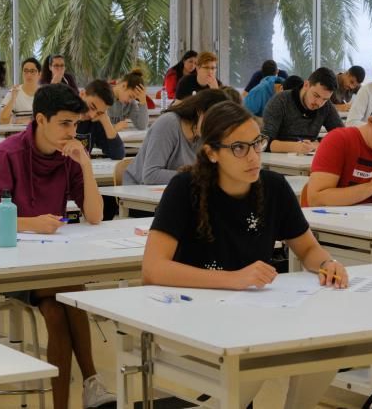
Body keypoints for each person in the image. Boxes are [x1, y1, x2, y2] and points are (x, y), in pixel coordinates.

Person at [142, 100, 347, 409]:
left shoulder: (273, 187)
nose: (252, 157)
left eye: (256, 143)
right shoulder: (185, 189)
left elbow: (306, 248)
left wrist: (328, 263)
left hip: (254, 312)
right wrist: (233, 279)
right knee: (251, 359)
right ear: (212, 153)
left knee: (327, 345)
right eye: (239, 148)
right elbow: (153, 269)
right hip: (192, 313)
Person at [0, 83, 114, 409]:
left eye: (75, 124)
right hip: (12, 268)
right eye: (64, 123)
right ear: (40, 119)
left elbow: (94, 215)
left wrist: (85, 165)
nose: (71, 131)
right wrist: (29, 223)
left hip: (52, 265)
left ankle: (73, 397)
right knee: (71, 291)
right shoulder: (9, 154)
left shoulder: (68, 155)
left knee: (55, 311)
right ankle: (92, 380)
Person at [123, 89, 236, 185]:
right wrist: (197, 175)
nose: (215, 127)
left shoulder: (204, 134)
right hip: (138, 195)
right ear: (199, 112)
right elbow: (150, 175)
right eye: (214, 120)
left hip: (174, 194)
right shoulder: (168, 123)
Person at [262, 67, 343, 154]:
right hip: (276, 164)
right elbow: (264, 143)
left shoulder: (326, 106)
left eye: (325, 99)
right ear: (306, 85)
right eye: (316, 95)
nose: (319, 103)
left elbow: (342, 138)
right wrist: (296, 146)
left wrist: (315, 145)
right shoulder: (280, 101)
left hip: (308, 162)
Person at [76, 79, 126, 160]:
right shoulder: (62, 114)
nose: (92, 115)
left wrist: (105, 120)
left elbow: (118, 154)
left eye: (99, 113)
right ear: (82, 94)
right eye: (92, 107)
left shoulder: (95, 121)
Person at [0, 57, 41, 125]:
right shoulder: (14, 92)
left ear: (39, 74)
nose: (28, 74)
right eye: (25, 71)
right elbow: (1, 118)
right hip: (18, 133)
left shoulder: (45, 93)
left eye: (32, 71)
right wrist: (13, 99)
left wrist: (26, 120)